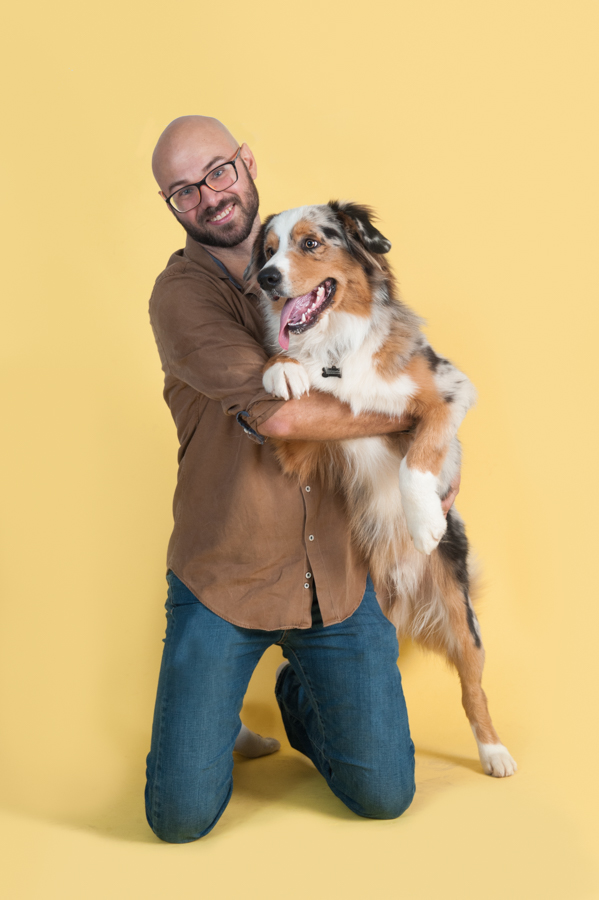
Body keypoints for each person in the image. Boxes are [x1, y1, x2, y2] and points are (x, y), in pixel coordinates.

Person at [145, 116, 459, 843]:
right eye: (184, 190)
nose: (209, 195)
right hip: (228, 575)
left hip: (337, 573)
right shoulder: (181, 297)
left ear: (246, 163)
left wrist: (430, 456)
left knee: (385, 795)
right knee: (180, 818)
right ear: (171, 205)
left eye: (218, 171)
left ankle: (297, 695)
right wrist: (416, 414)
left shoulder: (311, 255)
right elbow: (284, 416)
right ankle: (215, 702)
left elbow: (389, 359)